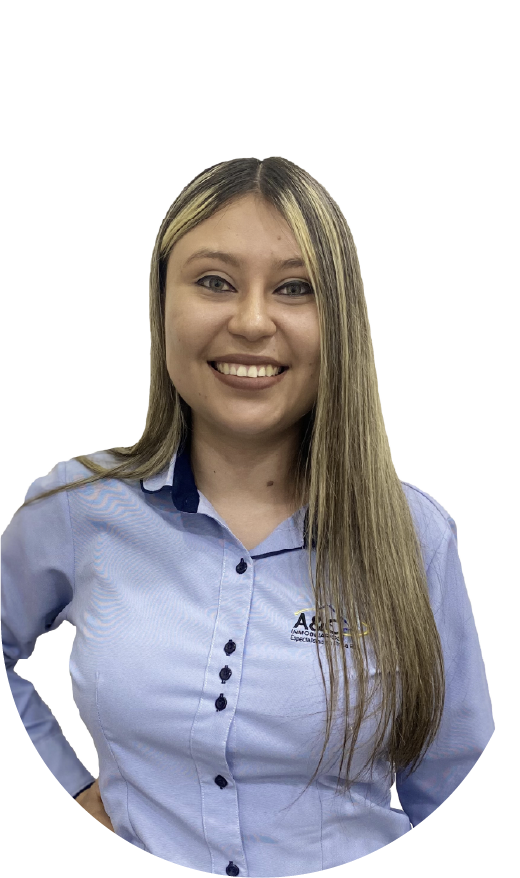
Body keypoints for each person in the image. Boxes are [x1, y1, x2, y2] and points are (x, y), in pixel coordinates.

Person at [0, 156, 494, 878]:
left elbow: (461, 798)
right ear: (161, 305)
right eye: (214, 282)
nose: (253, 321)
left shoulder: (415, 538)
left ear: (339, 321)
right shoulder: (78, 507)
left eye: (295, 288)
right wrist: (64, 788)